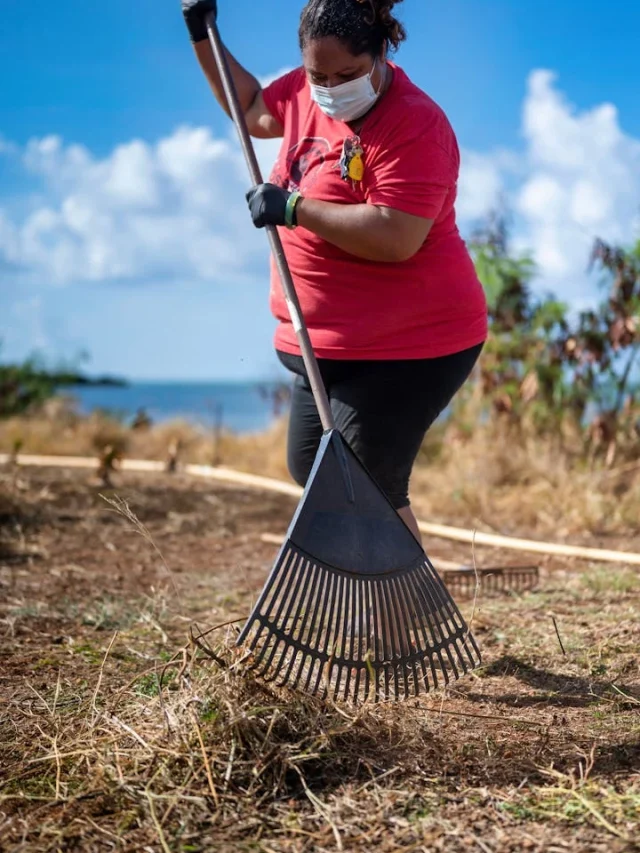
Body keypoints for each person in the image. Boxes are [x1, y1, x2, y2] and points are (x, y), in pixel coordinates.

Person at [181, 0, 487, 543]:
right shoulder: (303, 93)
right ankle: (373, 594)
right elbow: (250, 106)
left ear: (382, 53)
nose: (330, 87)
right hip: (325, 345)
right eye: (318, 74)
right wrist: (202, 36)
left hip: (412, 345)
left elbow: (395, 236)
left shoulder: (415, 124)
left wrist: (294, 208)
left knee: (368, 481)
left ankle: (406, 616)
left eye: (346, 74)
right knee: (312, 467)